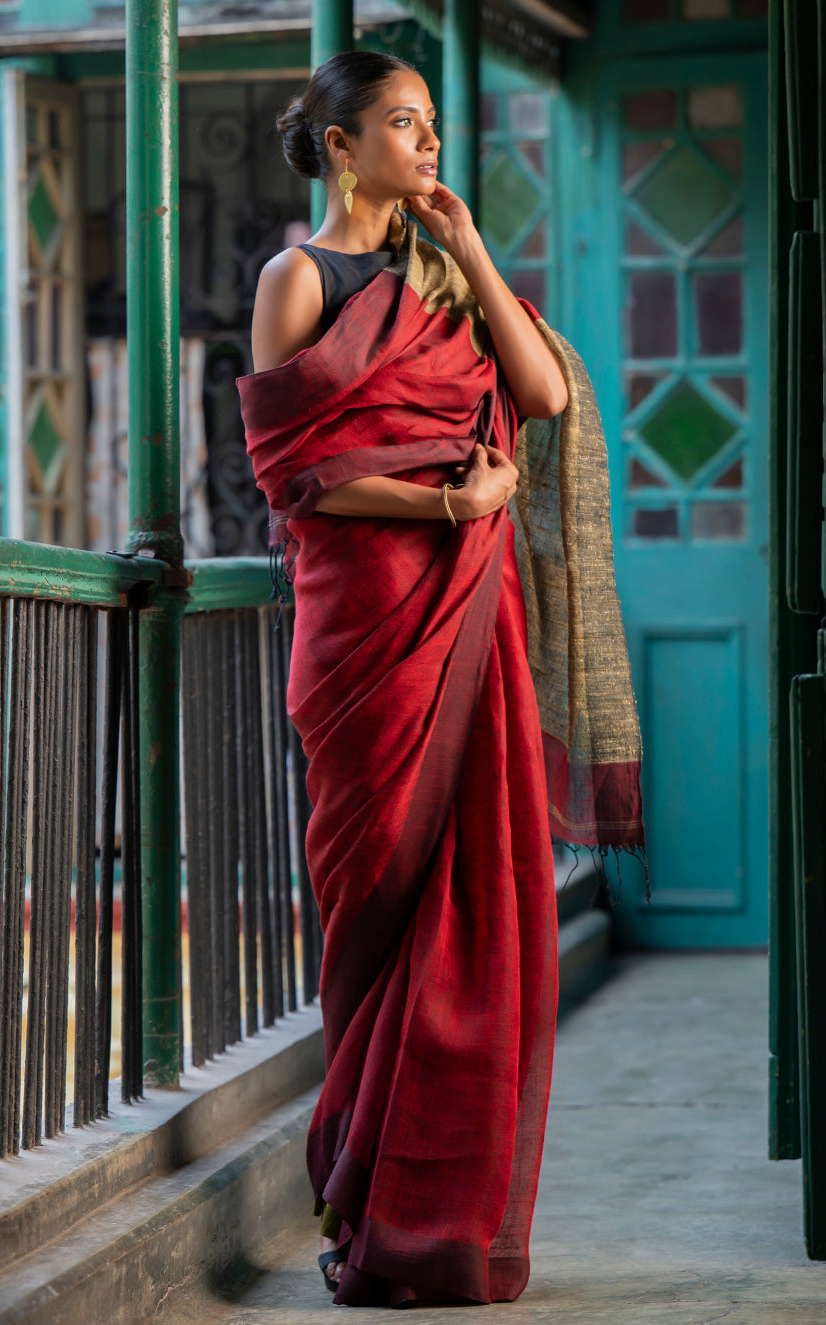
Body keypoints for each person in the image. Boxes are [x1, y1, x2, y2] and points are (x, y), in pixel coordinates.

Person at [237, 51, 645, 1308]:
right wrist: (443, 496)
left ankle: (436, 1232)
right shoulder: (295, 278)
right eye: (400, 126)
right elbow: (284, 471)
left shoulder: (439, 279)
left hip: (467, 623)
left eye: (430, 124)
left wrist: (467, 248)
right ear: (340, 144)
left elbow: (542, 390)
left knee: (477, 913)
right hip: (362, 628)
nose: (425, 144)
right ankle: (361, 1201)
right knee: (376, 910)